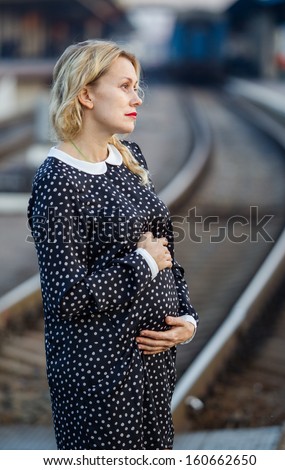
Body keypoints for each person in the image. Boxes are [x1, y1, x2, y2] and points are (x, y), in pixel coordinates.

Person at [27, 39, 198, 450]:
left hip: (153, 367)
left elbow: (165, 253)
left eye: (137, 87)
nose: (136, 97)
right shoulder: (57, 181)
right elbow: (66, 297)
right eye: (124, 86)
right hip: (101, 375)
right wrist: (142, 263)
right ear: (85, 93)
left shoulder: (128, 157)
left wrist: (187, 321)